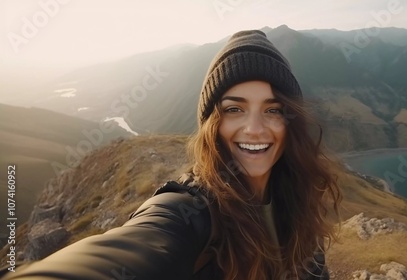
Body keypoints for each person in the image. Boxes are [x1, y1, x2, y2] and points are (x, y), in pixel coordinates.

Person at [1, 30, 342, 279]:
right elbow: (138, 246)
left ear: (290, 120)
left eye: (273, 110)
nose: (254, 128)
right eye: (234, 109)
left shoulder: (297, 202)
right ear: (211, 123)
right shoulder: (187, 213)